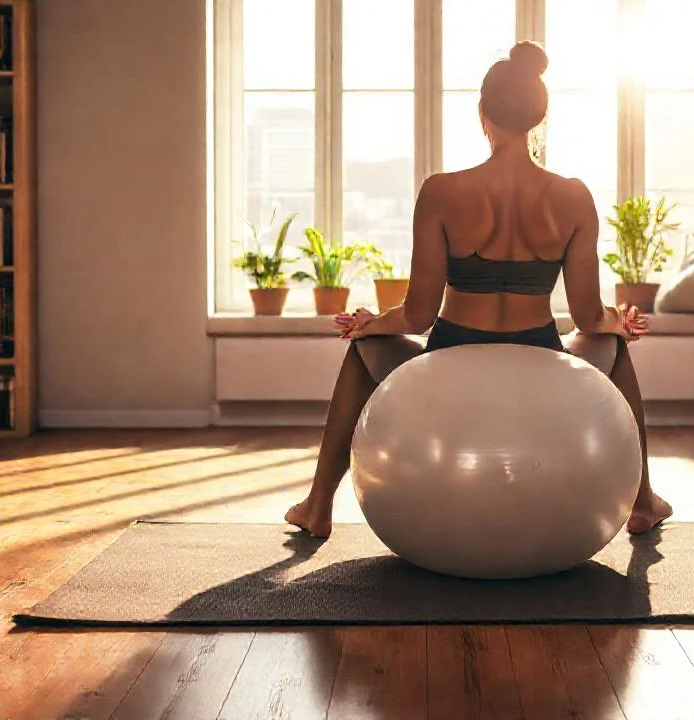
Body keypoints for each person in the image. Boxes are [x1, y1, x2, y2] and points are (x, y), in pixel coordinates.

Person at [284, 40, 674, 539]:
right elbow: (587, 316)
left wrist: (371, 325)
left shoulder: (442, 192)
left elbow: (419, 314)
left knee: (363, 352)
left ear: (482, 114)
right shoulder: (573, 197)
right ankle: (642, 502)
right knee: (614, 347)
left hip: (451, 354)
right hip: (539, 354)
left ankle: (318, 506)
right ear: (539, 118)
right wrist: (618, 323)